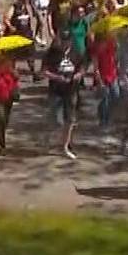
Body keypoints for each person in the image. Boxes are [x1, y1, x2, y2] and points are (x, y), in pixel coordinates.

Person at [43, 32, 83, 160]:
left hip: (71, 90)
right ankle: (49, 139)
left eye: (68, 41)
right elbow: (44, 71)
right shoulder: (53, 53)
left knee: (70, 120)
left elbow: (82, 68)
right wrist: (57, 77)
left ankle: (64, 147)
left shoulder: (76, 53)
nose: (66, 43)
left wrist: (78, 75)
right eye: (63, 40)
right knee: (56, 120)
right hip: (56, 90)